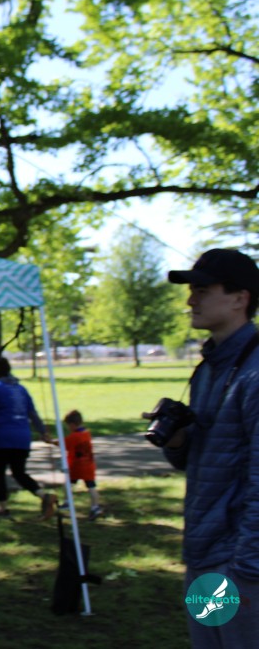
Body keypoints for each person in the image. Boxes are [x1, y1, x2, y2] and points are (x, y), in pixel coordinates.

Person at [164, 248, 259, 647]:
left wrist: (246, 567)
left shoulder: (254, 373)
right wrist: (176, 440)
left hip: (237, 565)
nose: (191, 301)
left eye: (202, 290)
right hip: (203, 555)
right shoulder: (209, 367)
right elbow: (203, 459)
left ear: (240, 298)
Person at [0, 355, 56, 518]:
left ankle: (2, 508)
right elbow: (33, 414)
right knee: (19, 473)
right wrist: (42, 432)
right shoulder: (21, 389)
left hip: (2, 438)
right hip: (22, 438)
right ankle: (44, 496)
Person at [58, 409, 104, 520]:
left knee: (67, 484)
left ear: (72, 425)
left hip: (77, 467)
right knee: (91, 487)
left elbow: (63, 443)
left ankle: (67, 502)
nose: (68, 428)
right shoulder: (86, 433)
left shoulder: (75, 436)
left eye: (68, 426)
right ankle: (95, 507)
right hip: (89, 465)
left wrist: (50, 441)